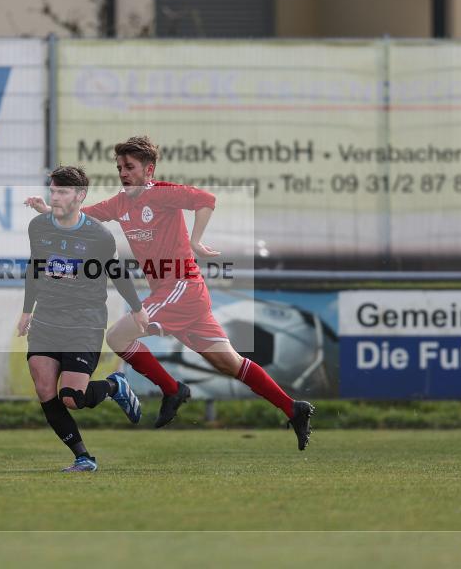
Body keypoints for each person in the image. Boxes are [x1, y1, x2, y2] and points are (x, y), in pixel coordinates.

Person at [26, 137, 315, 450]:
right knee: (229, 364)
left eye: (130, 167)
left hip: (181, 287)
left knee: (118, 337)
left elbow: (206, 199)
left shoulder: (162, 194)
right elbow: (82, 218)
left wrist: (195, 240)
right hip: (176, 293)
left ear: (149, 170)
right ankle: (293, 408)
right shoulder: (120, 203)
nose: (123, 172)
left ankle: (172, 389)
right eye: (120, 166)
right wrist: (48, 211)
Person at [19, 165, 147, 472]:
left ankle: (115, 386)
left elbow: (117, 272)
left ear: (80, 196)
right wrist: (27, 310)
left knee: (72, 398)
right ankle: (83, 457)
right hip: (47, 317)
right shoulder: (38, 227)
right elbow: (34, 268)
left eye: (63, 191)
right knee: (44, 387)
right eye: (53, 190)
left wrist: (137, 307)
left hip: (84, 319)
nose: (56, 196)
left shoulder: (99, 236)